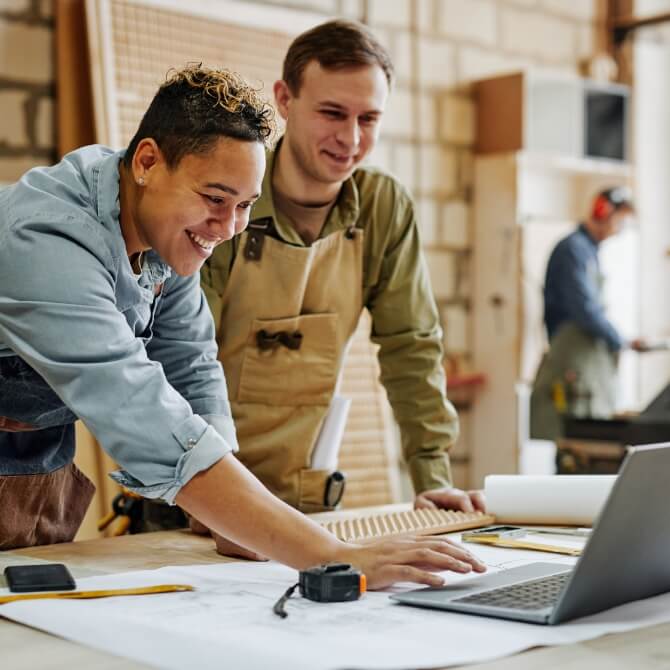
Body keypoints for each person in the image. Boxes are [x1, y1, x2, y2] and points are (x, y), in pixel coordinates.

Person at [0, 64, 485, 588]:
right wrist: (332, 554)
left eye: (245, 207)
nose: (229, 228)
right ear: (146, 162)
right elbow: (138, 409)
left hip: (29, 471)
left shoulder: (163, 230)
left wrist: (228, 514)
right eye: (214, 199)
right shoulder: (48, 239)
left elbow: (191, 363)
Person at [201, 19, 484, 548]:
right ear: (284, 99)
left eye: (368, 119)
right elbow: (184, 356)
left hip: (308, 507)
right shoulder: (228, 196)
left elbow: (411, 347)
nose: (350, 139)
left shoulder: (382, 208)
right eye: (332, 113)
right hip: (195, 502)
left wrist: (433, 478)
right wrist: (206, 490)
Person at [530, 186, 646, 441]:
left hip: (585, 365)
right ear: (603, 212)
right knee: (573, 448)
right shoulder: (573, 249)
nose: (620, 230)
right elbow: (584, 309)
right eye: (620, 221)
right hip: (572, 363)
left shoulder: (588, 252)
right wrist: (620, 340)